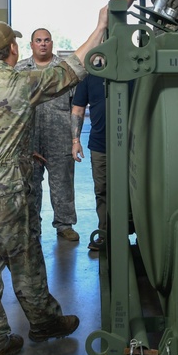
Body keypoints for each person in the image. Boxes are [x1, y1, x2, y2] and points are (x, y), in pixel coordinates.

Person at [0, 10, 108, 355]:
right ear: (13, 49)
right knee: (25, 258)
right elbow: (74, 67)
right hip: (6, 189)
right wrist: (100, 27)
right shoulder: (22, 83)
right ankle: (45, 323)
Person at [16, 28, 79, 242]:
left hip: (59, 136)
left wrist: (74, 139)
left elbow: (76, 107)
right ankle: (32, 226)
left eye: (46, 40)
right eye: (38, 40)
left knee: (62, 183)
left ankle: (64, 224)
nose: (43, 44)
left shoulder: (64, 70)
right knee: (30, 183)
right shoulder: (20, 69)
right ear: (31, 45)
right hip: (29, 138)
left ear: (52, 43)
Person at [71, 74, 106, 251]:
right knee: (102, 191)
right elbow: (77, 110)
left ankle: (140, 234)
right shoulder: (91, 76)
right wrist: (76, 141)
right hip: (100, 145)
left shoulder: (134, 73)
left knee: (135, 191)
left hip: (133, 144)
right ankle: (106, 233)